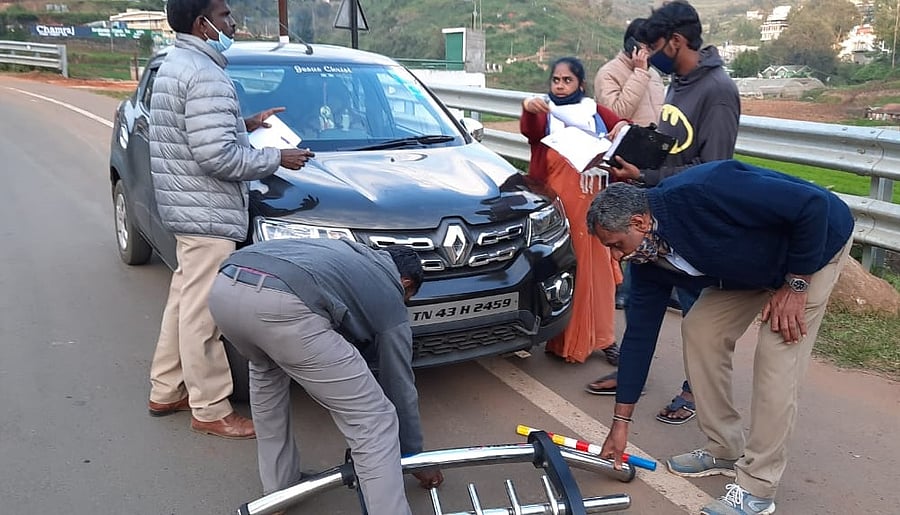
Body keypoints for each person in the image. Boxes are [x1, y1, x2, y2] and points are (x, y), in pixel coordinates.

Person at [587, 160, 854, 515]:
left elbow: (812, 206)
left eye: (616, 245)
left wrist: (796, 285)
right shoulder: (648, 259)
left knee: (777, 356)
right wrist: (620, 424)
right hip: (752, 267)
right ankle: (725, 447)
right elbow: (639, 338)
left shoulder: (705, 190)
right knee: (701, 329)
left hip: (812, 250)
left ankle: (758, 487)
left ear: (639, 222)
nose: (617, 257)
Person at [146, 0, 314, 439]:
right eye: (223, 15)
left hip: (186, 207)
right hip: (207, 211)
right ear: (202, 24)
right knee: (203, 316)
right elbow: (216, 155)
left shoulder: (176, 62)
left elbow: (198, 130)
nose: (232, 22)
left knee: (183, 302)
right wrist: (278, 157)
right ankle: (210, 407)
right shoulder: (205, 74)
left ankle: (166, 389)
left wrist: (246, 123)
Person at [207, 238, 443, 514]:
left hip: (224, 288)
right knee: (374, 418)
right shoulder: (388, 291)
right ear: (405, 283)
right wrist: (414, 457)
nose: (405, 304)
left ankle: (279, 491)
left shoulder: (345, 254)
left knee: (267, 379)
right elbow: (398, 383)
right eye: (409, 298)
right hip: (283, 305)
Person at [587, 1, 741, 424]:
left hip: (692, 224)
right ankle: (630, 375)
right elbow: (671, 144)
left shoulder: (719, 91)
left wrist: (647, 176)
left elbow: (715, 170)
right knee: (640, 302)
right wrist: (632, 152)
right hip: (654, 212)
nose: (647, 56)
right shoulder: (678, 82)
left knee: (697, 315)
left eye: (653, 47)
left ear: (675, 41)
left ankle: (698, 390)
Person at [520, 57, 628, 365]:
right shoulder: (544, 112)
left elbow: (623, 128)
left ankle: (604, 338)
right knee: (561, 268)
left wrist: (615, 134)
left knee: (600, 273)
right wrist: (528, 106)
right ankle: (555, 336)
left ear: (580, 84)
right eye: (556, 80)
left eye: (567, 80)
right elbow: (530, 130)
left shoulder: (594, 111)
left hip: (595, 205)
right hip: (559, 205)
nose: (560, 86)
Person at [593, 17, 665, 312]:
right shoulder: (609, 73)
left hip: (655, 157)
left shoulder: (656, 75)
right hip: (625, 158)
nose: (652, 52)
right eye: (648, 46)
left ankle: (660, 279)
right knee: (625, 223)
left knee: (652, 221)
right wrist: (638, 73)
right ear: (634, 45)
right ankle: (623, 287)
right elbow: (616, 113)